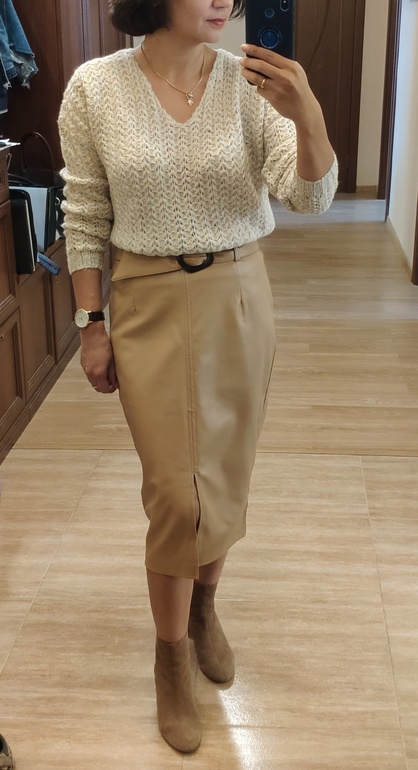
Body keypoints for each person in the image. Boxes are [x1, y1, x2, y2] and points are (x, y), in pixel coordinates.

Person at [58, 0, 338, 754]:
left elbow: (308, 196)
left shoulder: (252, 86)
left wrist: (308, 115)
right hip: (145, 299)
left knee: (224, 476)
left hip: (238, 293)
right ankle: (170, 656)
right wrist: (90, 324)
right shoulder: (95, 87)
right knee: (175, 493)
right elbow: (83, 211)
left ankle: (205, 605)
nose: (222, 0)